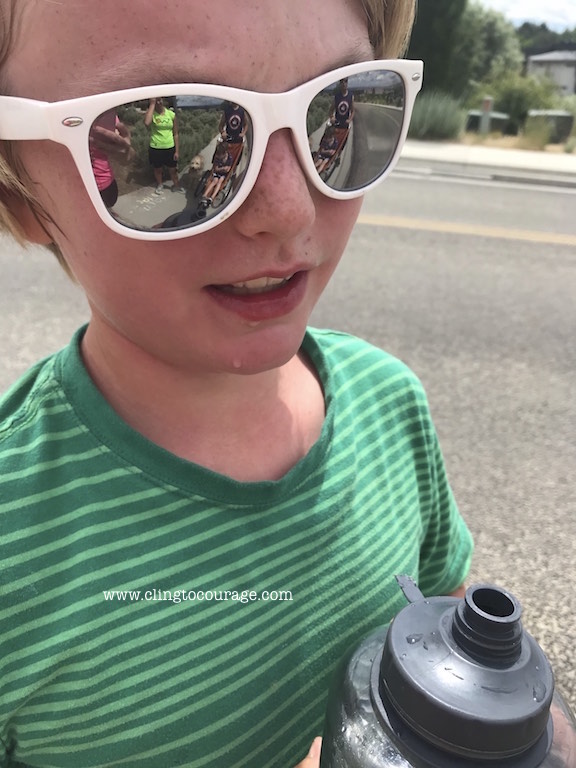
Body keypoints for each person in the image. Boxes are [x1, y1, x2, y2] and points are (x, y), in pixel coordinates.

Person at [0, 1, 473, 767]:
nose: (286, 211)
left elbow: (454, 629)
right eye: (158, 134)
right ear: (21, 193)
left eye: (342, 108)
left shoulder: (392, 405)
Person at [144, 96, 184, 194]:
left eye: (159, 100)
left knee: (173, 170)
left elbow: (176, 134)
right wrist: (152, 104)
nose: (158, 102)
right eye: (156, 101)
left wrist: (177, 151)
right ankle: (160, 184)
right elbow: (147, 123)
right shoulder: (151, 114)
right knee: (158, 169)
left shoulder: (171, 114)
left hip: (170, 147)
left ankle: (176, 185)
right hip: (156, 147)